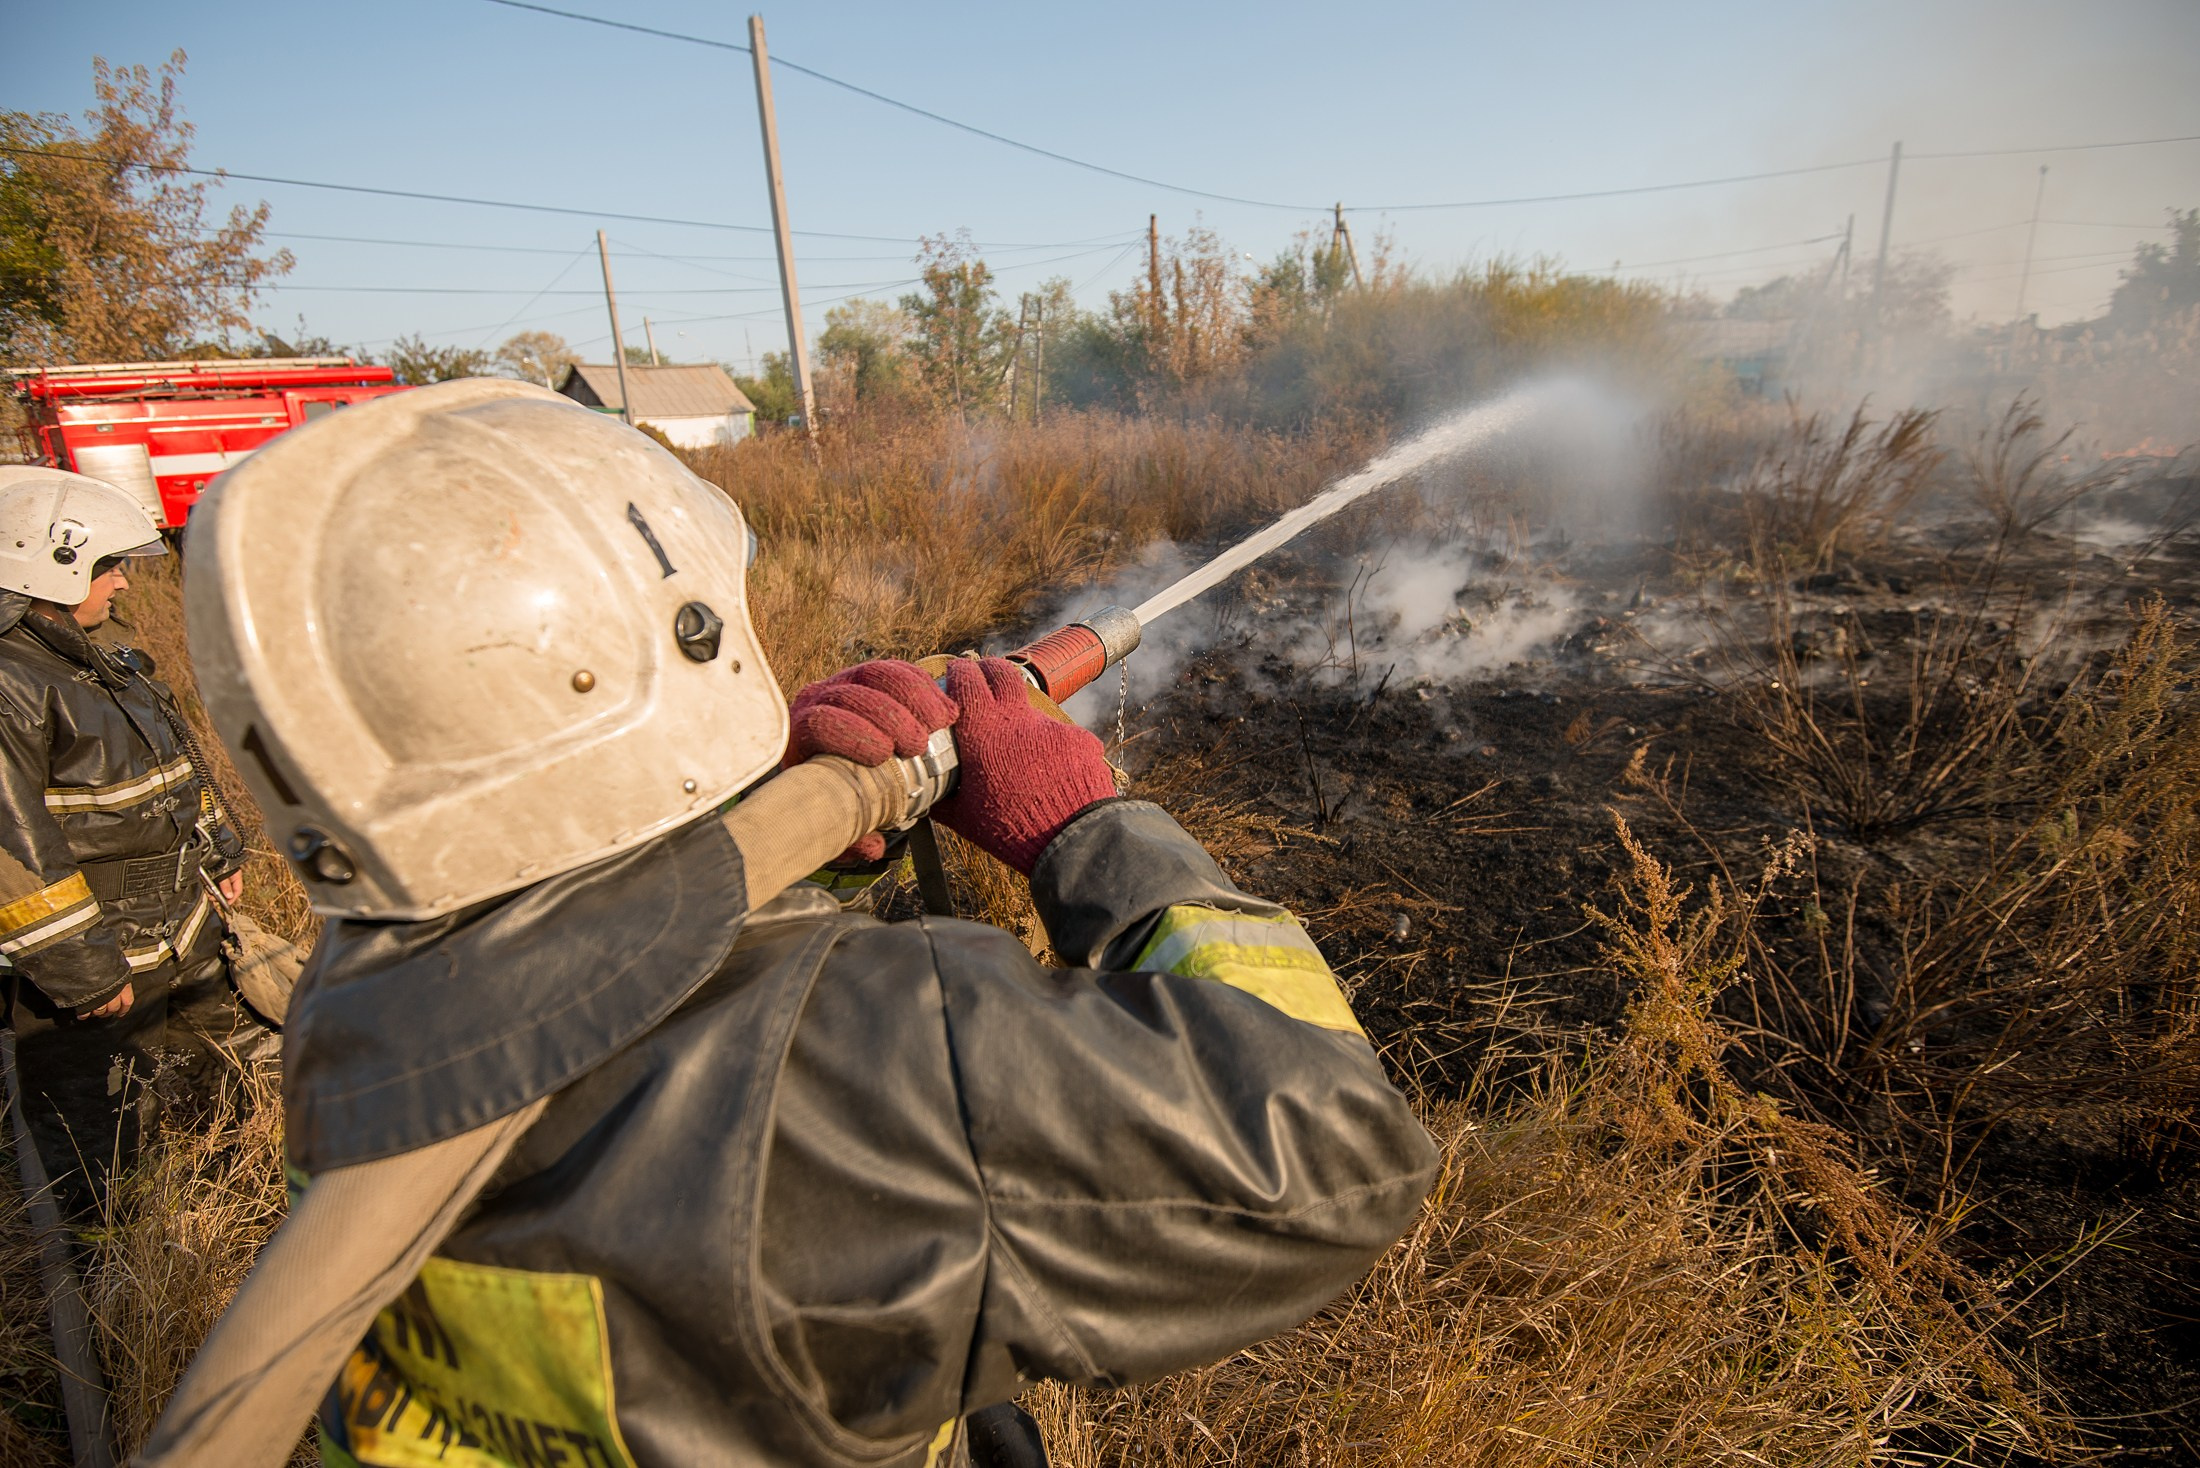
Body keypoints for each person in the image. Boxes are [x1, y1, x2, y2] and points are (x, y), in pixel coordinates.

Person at [151, 379, 1437, 1468]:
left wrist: (769, 838)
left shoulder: (358, 993)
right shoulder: (866, 1054)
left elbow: (594, 953)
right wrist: (1084, 835)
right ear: (667, 647)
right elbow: (1337, 1148)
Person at [0, 466, 259, 1209]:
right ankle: (118, 1279)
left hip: (180, 928)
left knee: (224, 1083)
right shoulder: (13, 684)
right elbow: (16, 853)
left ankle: (227, 1212)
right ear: (48, 562)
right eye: (107, 565)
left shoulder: (96, 661)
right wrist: (83, 972)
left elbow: (175, 768)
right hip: (102, 967)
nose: (121, 583)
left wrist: (221, 848)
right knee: (100, 1139)